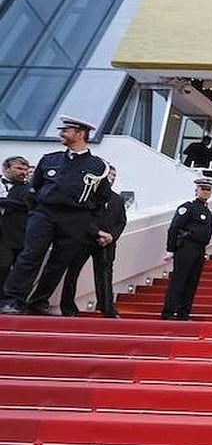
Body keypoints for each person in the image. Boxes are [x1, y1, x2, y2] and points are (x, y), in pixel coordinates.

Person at [0, 116, 112, 316]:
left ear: (80, 134)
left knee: (59, 262)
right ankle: (14, 300)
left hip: (76, 217)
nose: (61, 133)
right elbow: (34, 190)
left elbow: (102, 198)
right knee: (30, 255)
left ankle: (38, 301)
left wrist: (90, 224)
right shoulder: (49, 160)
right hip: (45, 214)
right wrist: (37, 212)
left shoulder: (98, 166)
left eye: (66, 130)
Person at [60, 165, 127, 317]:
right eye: (109, 175)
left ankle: (107, 307)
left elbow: (121, 221)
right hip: (83, 239)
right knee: (72, 273)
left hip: (107, 243)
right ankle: (68, 307)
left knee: (104, 274)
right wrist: (98, 232)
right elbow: (81, 218)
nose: (112, 178)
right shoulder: (87, 196)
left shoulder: (118, 199)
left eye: (114, 176)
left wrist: (110, 236)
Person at [161, 177, 212, 320]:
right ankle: (169, 312)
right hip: (186, 247)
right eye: (203, 189)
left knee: (192, 281)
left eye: (208, 190)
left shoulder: (208, 211)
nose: (206, 192)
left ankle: (183, 312)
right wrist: (170, 249)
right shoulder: (188, 207)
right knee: (179, 279)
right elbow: (174, 227)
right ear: (196, 190)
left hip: (199, 249)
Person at [0, 155, 32, 291]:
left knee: (9, 266)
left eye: (25, 169)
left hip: (17, 236)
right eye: (19, 168)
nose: (23, 172)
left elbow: (25, 205)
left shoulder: (29, 189)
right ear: (5, 168)